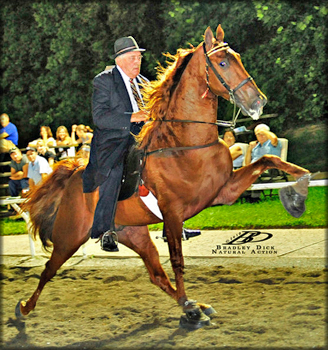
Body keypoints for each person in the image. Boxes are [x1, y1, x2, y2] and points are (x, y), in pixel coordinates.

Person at [82, 36, 149, 252]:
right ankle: (105, 230)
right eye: (132, 58)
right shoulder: (104, 80)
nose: (137, 62)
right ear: (120, 60)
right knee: (113, 170)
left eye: (139, 58)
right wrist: (133, 116)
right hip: (114, 140)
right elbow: (100, 118)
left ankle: (176, 223)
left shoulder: (145, 83)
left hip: (143, 137)